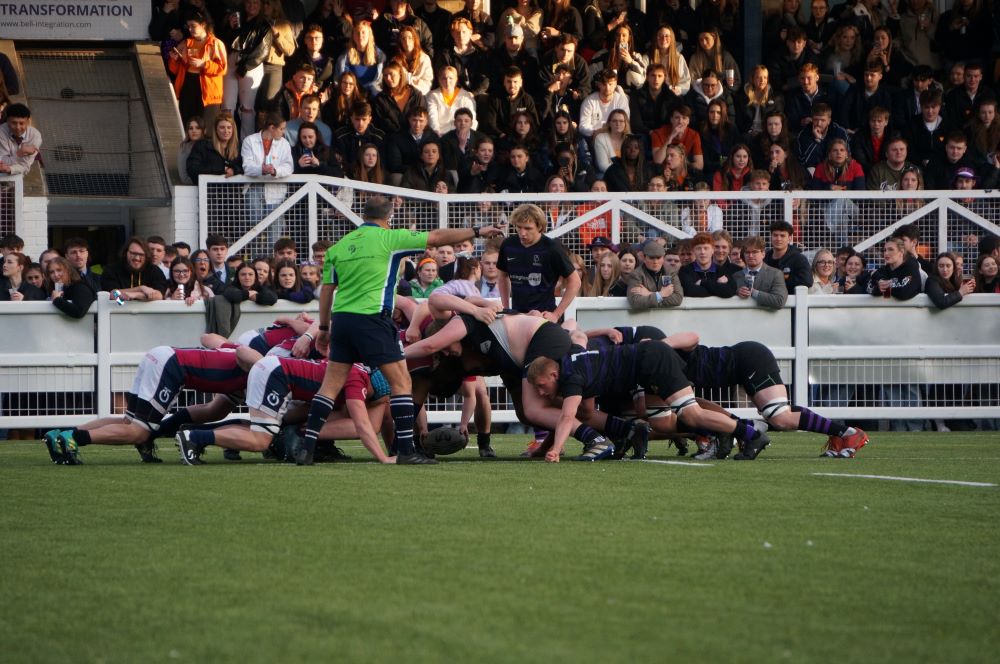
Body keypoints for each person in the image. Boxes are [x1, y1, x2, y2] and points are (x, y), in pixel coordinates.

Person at [296, 196, 502, 465]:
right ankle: (405, 451)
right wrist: (477, 231)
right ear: (389, 217)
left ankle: (306, 449)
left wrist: (323, 327)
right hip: (373, 320)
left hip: (342, 320)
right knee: (402, 382)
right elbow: (437, 237)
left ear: (363, 215)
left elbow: (326, 291)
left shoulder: (340, 247)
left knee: (330, 386)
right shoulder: (389, 238)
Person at [525, 341, 772, 463]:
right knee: (589, 411)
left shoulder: (570, 377)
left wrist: (555, 450)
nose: (541, 392)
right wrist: (548, 446)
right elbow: (583, 413)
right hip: (646, 363)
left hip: (653, 362)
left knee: (690, 415)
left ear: (553, 375)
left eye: (541, 386)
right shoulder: (567, 361)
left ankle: (751, 433)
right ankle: (735, 430)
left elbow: (567, 417)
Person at [42, 347, 247, 464]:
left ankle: (62, 434)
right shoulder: (259, 367)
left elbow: (209, 338)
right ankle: (73, 438)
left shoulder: (249, 356)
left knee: (129, 422)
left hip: (161, 356)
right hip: (172, 365)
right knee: (139, 431)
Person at [167, 10, 227, 129]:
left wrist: (204, 64)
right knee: (188, 125)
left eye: (193, 26)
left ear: (203, 25)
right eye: (188, 26)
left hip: (208, 90)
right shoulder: (186, 43)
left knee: (206, 127)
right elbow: (175, 70)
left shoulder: (215, 43)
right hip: (188, 85)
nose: (190, 29)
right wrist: (173, 59)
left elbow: (222, 69)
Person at [222, 0, 273, 138]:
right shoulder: (237, 19)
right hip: (232, 59)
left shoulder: (264, 26)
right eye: (249, 3)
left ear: (261, 5)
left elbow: (262, 51)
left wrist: (245, 67)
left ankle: (247, 143)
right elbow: (225, 41)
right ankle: (227, 143)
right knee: (227, 105)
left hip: (251, 65)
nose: (252, 6)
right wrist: (230, 27)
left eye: (256, 3)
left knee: (247, 108)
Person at [241, 112, 294, 243]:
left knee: (274, 226)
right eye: (281, 129)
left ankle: (273, 261)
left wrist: (276, 171)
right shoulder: (250, 141)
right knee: (254, 224)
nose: (283, 132)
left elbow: (289, 166)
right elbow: (246, 166)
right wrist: (261, 169)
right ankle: (255, 258)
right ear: (271, 127)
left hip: (276, 188)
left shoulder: (284, 144)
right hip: (254, 187)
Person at [100, 237, 168, 301]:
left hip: (146, 313)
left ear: (146, 255)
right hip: (119, 311)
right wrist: (141, 288)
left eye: (141, 255)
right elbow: (112, 295)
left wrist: (136, 295)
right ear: (126, 252)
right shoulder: (112, 270)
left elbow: (159, 295)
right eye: (133, 253)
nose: (137, 258)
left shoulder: (154, 270)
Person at [625, 239, 684, 310]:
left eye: (658, 258)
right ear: (644, 258)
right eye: (651, 258)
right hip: (644, 319)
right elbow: (635, 302)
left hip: (667, 319)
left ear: (663, 258)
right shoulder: (636, 275)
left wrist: (649, 294)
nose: (655, 261)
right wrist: (661, 294)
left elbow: (677, 299)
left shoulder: (670, 273)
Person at [678, 232, 739, 298]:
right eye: (698, 248)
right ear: (693, 251)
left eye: (706, 248)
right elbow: (691, 291)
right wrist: (717, 286)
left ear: (712, 250)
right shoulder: (685, 271)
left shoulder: (722, 271)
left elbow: (729, 291)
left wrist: (702, 283)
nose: (702, 252)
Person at [187, 112, 244, 182]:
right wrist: (221, 169)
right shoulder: (202, 146)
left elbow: (247, 167)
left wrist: (234, 170)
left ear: (233, 129)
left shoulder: (240, 147)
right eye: (222, 127)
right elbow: (192, 169)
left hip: (234, 191)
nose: (226, 131)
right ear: (216, 130)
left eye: (229, 127)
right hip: (208, 191)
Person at [765, 220, 813, 291]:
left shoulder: (799, 259)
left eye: (782, 236)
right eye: (775, 235)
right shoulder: (765, 258)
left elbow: (807, 281)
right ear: (771, 237)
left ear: (789, 238)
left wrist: (778, 283)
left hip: (791, 300)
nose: (778, 239)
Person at [0, 104, 42, 176]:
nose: (18, 128)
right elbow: (2, 161)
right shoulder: (2, 131)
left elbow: (25, 166)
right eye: (14, 123)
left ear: (28, 122)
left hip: (14, 173)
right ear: (7, 121)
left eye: (22, 123)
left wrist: (10, 169)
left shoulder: (35, 136)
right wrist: (20, 153)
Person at [177, 116, 205, 185]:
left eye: (197, 128)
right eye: (191, 128)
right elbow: (184, 178)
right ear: (187, 131)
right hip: (193, 187)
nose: (194, 131)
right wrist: (204, 181)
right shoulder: (184, 148)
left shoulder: (210, 146)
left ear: (203, 130)